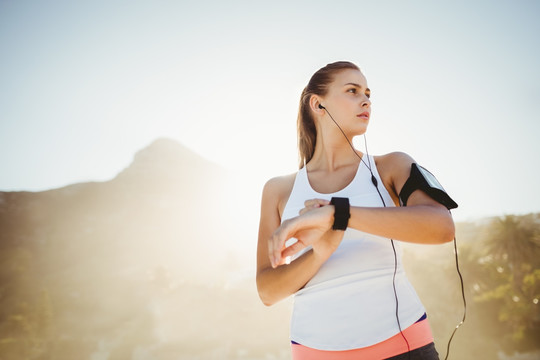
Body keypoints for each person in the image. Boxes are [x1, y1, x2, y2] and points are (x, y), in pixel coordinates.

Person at [256, 61, 455, 360]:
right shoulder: (278, 190)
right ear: (318, 104)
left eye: (368, 94)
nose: (366, 101)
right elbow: (267, 291)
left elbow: (442, 226)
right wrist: (320, 253)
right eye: (352, 91)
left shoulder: (392, 166)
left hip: (404, 348)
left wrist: (338, 214)